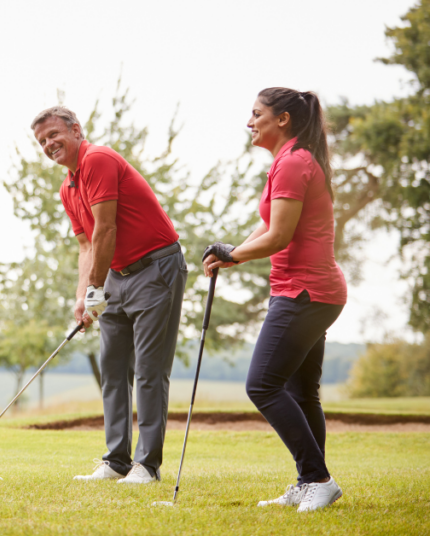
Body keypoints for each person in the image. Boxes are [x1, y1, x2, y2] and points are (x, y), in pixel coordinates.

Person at [203, 88, 347, 513]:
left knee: (262, 384)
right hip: (312, 292)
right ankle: (309, 481)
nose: (249, 123)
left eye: (256, 114)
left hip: (305, 293)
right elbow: (268, 226)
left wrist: (233, 254)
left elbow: (280, 237)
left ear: (282, 119)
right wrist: (233, 255)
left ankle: (318, 478)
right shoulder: (292, 160)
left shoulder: (294, 162)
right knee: (301, 391)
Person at [31, 106, 186, 485]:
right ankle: (116, 460)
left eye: (54, 135)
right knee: (113, 370)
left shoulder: (97, 159)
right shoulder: (68, 187)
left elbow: (106, 229)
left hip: (155, 269)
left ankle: (146, 465)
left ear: (76, 130)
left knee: (149, 371)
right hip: (116, 275)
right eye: (42, 141)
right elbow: (86, 246)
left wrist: (97, 288)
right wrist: (83, 297)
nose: (49, 144)